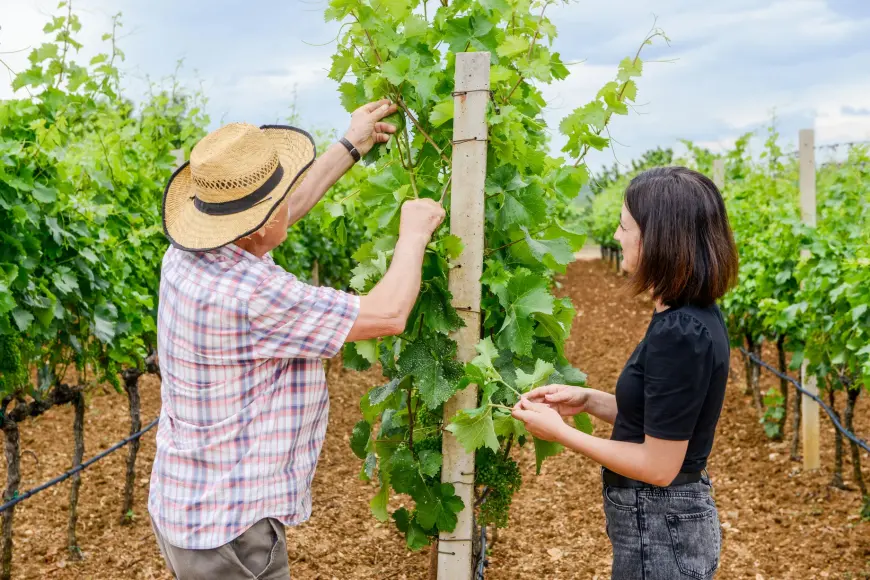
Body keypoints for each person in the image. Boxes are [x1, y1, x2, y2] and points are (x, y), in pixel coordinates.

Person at [149, 99, 446, 580]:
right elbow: (388, 314)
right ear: (261, 222)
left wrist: (352, 145)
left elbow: (275, 220)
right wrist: (412, 235)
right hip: (231, 529)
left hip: (187, 500)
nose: (290, 202)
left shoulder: (190, 253)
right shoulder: (251, 295)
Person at [512, 167, 739, 580]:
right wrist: (588, 401)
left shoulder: (681, 332)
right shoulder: (688, 315)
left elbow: (658, 466)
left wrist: (563, 434)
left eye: (624, 226)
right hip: (665, 523)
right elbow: (662, 419)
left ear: (660, 239)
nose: (616, 236)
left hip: (662, 523)